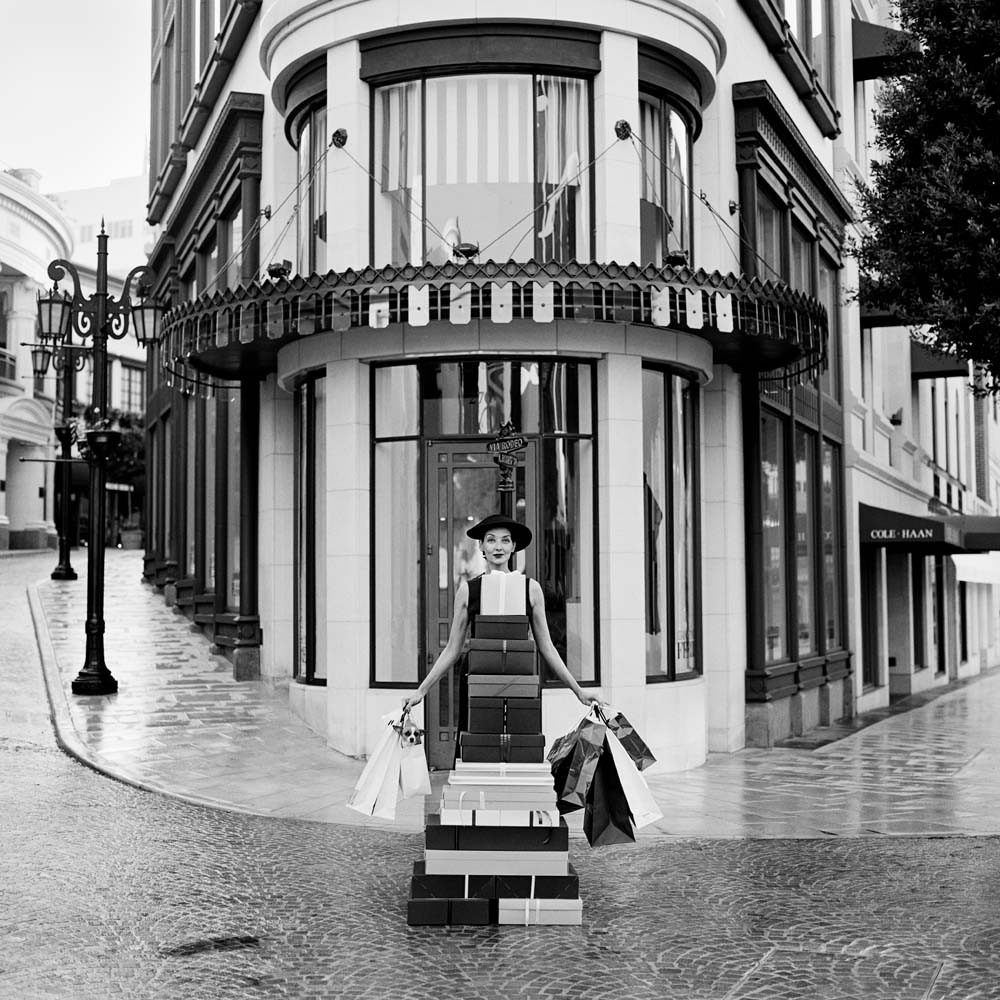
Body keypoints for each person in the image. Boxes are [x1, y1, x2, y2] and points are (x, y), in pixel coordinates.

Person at [402, 513, 603, 719]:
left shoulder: (531, 589)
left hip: (519, 675)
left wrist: (579, 691)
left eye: (505, 540)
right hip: (477, 677)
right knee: (478, 736)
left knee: (519, 734)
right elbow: (453, 648)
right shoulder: (468, 591)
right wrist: (421, 691)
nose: (498, 547)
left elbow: (547, 647)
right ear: (481, 545)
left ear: (514, 546)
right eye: (491, 540)